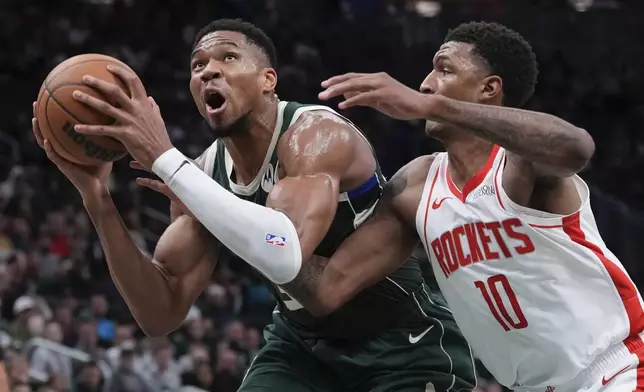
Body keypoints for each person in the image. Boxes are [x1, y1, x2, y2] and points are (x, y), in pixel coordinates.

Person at [31, 19, 477, 392]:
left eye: (227, 58)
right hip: (303, 347)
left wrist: (169, 164)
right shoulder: (202, 175)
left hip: (403, 343)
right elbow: (160, 312)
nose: (209, 71)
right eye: (198, 65)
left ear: (268, 81)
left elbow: (286, 255)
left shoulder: (316, 137)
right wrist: (98, 199)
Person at [313, 21, 644, 392]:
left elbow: (577, 148)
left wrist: (434, 105)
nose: (424, 84)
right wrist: (250, 217)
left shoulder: (518, 165)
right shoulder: (415, 187)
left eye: (444, 69)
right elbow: (328, 289)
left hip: (619, 370)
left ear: (489, 88)